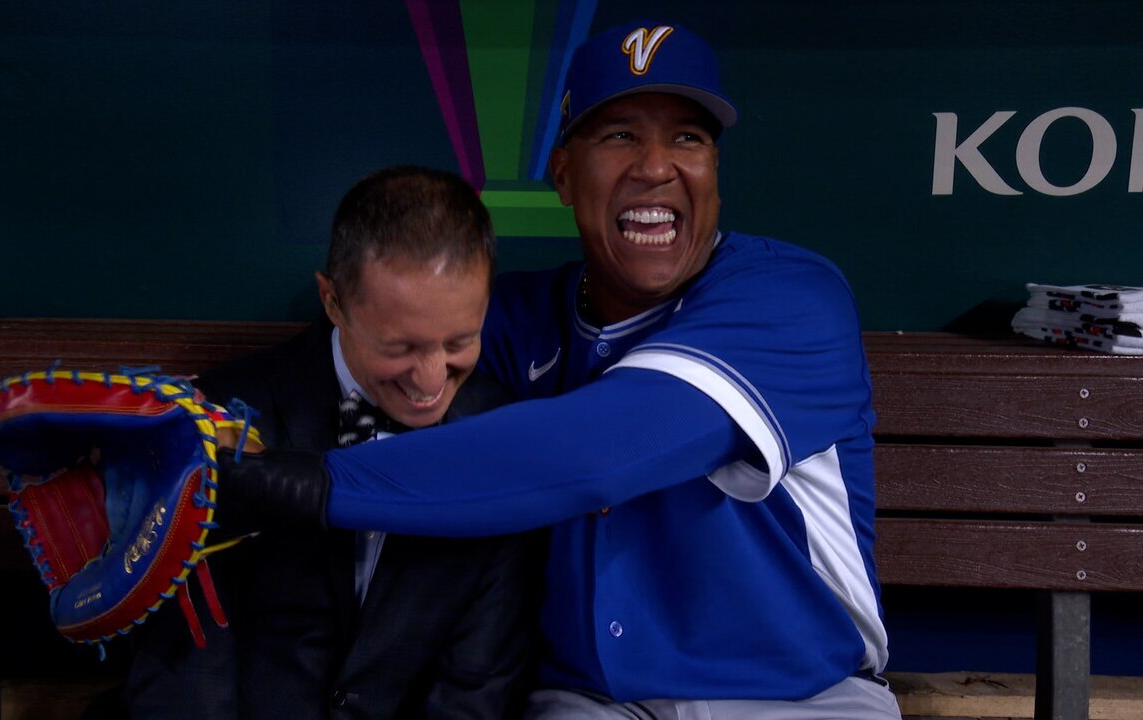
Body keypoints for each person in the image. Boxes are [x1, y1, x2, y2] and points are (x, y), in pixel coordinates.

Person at [221, 22, 901, 719]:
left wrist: (314, 482)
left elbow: (600, 448)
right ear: (564, 175)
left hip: (798, 696)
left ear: (715, 172)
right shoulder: (516, 319)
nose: (656, 166)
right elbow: (365, 345)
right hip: (591, 702)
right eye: (619, 136)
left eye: (688, 138)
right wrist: (189, 430)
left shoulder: (791, 298)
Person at [126, 166, 541, 719]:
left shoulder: (504, 440)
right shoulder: (221, 419)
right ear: (332, 301)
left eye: (459, 342)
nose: (431, 380)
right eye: (400, 347)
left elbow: (478, 687)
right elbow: (187, 672)